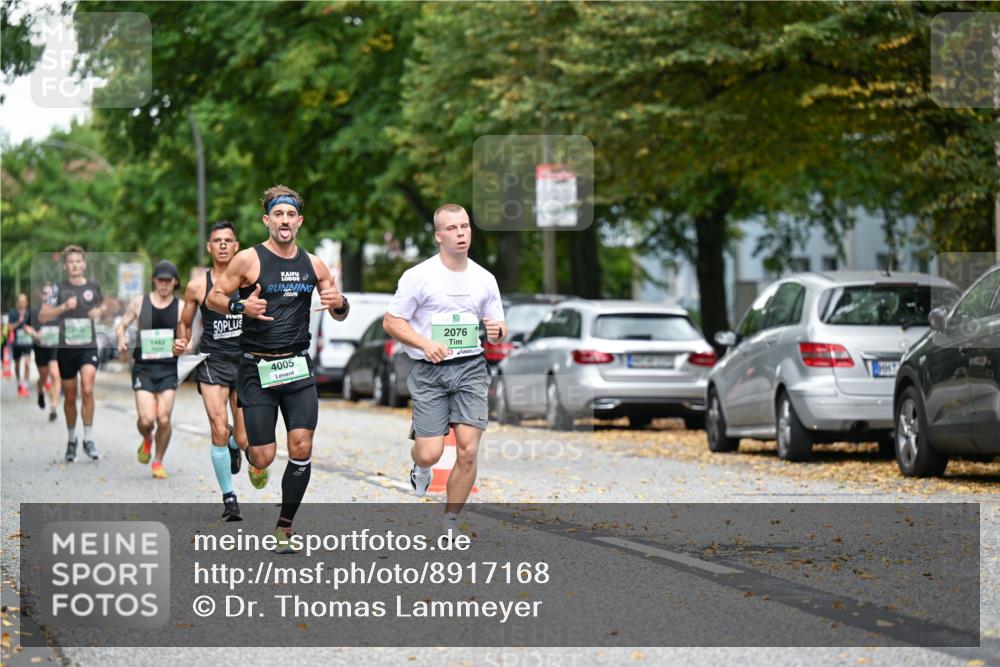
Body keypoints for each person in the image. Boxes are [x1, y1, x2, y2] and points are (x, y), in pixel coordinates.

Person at [207, 185, 348, 552]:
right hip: (257, 369)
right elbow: (214, 297)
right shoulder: (248, 260)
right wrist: (241, 308)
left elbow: (337, 308)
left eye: (291, 215)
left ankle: (285, 527)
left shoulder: (315, 264)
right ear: (267, 220)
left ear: (299, 222)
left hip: (297, 366)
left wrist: (341, 302)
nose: (285, 221)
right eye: (278, 215)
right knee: (263, 454)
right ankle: (255, 463)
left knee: (301, 445)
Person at [383, 204, 506, 535]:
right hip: (429, 370)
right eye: (452, 228)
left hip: (470, 368)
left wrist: (497, 331)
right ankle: (419, 468)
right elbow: (391, 322)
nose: (461, 233)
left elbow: (497, 323)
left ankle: (451, 519)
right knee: (430, 453)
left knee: (467, 450)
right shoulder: (418, 276)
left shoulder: (484, 278)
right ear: (439, 236)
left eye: (465, 226)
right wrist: (424, 343)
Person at [178, 221, 267, 523]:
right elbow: (185, 321)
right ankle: (229, 498)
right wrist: (181, 339)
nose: (224, 245)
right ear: (210, 247)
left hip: (244, 361)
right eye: (218, 240)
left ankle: (234, 446)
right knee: (218, 427)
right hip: (213, 361)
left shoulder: (250, 279)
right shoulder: (197, 286)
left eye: (229, 240)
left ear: (237, 245)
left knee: (243, 438)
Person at [115, 261, 183, 479]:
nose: (164, 285)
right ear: (154, 280)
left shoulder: (180, 307)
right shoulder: (139, 303)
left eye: (168, 281)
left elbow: (185, 338)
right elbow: (122, 325)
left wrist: (183, 345)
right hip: (143, 367)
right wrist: (121, 339)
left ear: (175, 282)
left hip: (168, 368)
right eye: (160, 280)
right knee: (146, 421)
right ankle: (147, 439)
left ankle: (158, 460)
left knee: (163, 419)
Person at [39, 245, 103, 462]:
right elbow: (43, 315)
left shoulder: (94, 287)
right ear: (65, 266)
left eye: (78, 261)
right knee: (70, 395)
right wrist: (64, 306)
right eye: (71, 262)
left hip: (88, 346)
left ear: (83, 264)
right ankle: (72, 439)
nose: (75, 265)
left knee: (87, 388)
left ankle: (89, 438)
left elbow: (104, 308)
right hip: (66, 349)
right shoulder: (58, 289)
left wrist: (99, 312)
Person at [25, 283, 61, 420]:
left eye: (51, 294)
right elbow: (26, 327)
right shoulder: (34, 311)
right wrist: (35, 333)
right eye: (46, 293)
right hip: (40, 347)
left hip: (55, 346)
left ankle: (53, 407)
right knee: (44, 376)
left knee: (55, 373)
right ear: (41, 295)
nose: (48, 296)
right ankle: (40, 390)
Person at [7, 293, 34, 397]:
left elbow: (34, 327)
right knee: (17, 366)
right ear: (17, 302)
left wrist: (30, 330)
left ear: (27, 302)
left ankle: (25, 385)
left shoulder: (30, 312)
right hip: (17, 343)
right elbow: (9, 328)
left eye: (24, 301)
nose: (22, 303)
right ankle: (19, 382)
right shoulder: (12, 313)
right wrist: (19, 321)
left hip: (27, 342)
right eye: (20, 301)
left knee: (27, 363)